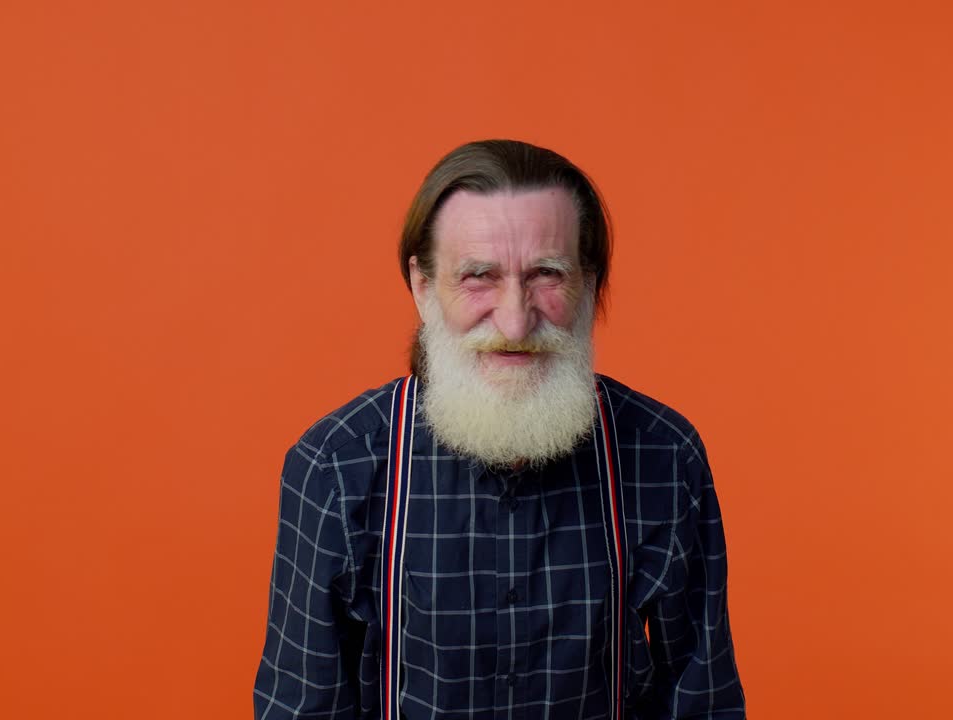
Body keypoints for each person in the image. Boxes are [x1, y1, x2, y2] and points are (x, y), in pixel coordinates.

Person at [253, 140, 745, 719]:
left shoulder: (664, 456)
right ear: (421, 285)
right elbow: (301, 710)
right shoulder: (337, 468)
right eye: (479, 276)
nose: (514, 320)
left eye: (546, 273)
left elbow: (702, 704)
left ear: (589, 283)